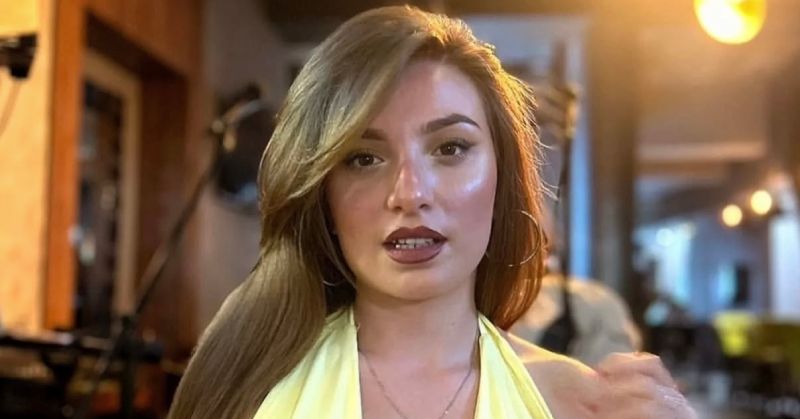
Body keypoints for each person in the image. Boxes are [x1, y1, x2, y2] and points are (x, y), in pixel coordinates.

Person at [168, 6, 695, 419]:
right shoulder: (247, 387)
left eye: (450, 148)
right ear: (322, 191)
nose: (410, 193)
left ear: (502, 176)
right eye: (363, 158)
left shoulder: (578, 404)